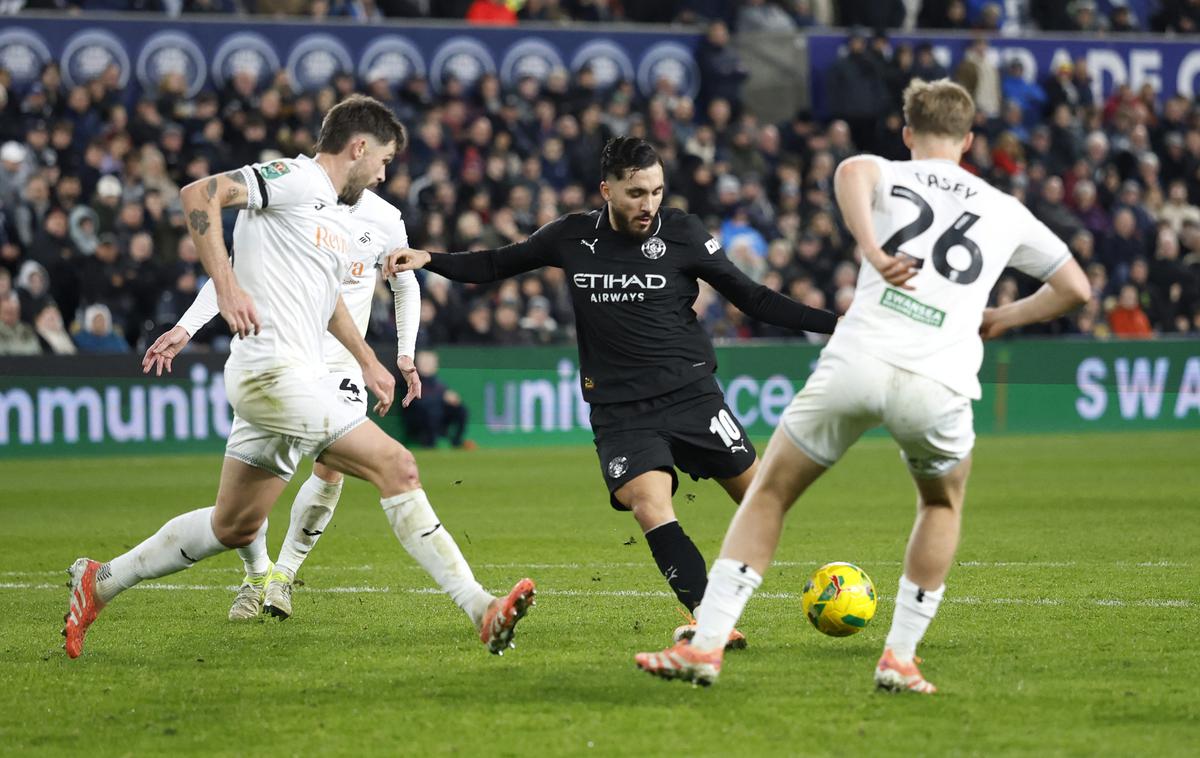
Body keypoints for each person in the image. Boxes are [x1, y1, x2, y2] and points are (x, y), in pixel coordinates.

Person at [634, 79, 1091, 690]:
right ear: (970, 140)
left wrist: (873, 251)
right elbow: (1076, 290)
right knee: (939, 503)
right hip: (941, 376)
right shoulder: (1005, 210)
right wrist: (1001, 318)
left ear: (907, 134)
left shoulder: (884, 171)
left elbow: (849, 170)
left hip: (861, 357)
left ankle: (707, 644)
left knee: (768, 492)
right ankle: (899, 659)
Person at [63, 95, 535, 659]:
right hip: (272, 374)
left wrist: (366, 358)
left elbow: (328, 298)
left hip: (295, 376)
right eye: (382, 160)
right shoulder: (296, 177)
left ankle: (100, 580)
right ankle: (480, 607)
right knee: (397, 465)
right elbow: (200, 195)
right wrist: (228, 290)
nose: (384, 173)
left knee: (234, 525)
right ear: (358, 147)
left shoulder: (332, 215)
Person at [387, 137, 837, 646]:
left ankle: (828, 587)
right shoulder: (573, 237)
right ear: (607, 190)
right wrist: (430, 257)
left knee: (761, 500)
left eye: (657, 192)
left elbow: (753, 297)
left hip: (693, 395)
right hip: (622, 410)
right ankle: (707, 619)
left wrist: (836, 323)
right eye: (636, 193)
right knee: (649, 504)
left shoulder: (684, 233)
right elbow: (497, 263)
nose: (649, 205)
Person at [142, 176, 424, 622]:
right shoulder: (293, 199)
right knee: (250, 491)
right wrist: (186, 327)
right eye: (381, 160)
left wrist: (404, 354)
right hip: (279, 358)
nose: (384, 174)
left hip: (341, 364)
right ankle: (255, 576)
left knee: (332, 469)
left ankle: (284, 575)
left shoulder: (386, 218)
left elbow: (405, 285)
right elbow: (234, 270)